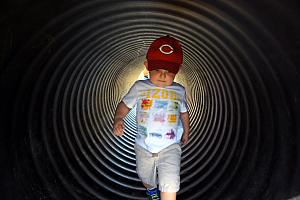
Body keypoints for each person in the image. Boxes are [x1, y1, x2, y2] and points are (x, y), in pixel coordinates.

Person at [113, 35, 190, 200]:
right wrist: (118, 119)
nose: (163, 75)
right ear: (147, 66)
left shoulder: (179, 91)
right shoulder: (140, 87)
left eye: (168, 71)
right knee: (145, 177)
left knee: (170, 182)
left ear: (177, 71)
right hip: (144, 146)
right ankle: (151, 190)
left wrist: (186, 131)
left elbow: (183, 112)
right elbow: (125, 105)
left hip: (170, 145)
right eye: (157, 70)